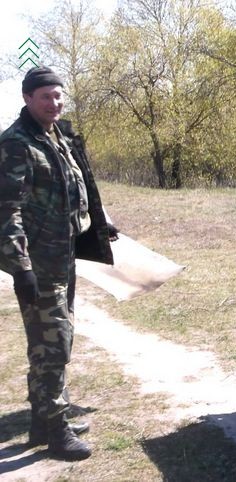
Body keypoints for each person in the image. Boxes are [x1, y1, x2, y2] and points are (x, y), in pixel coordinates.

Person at [0, 67, 116, 460]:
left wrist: (99, 223)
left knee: (50, 343)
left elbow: (75, 186)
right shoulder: (16, 144)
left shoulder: (57, 136)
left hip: (64, 256)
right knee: (53, 345)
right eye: (46, 96)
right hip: (40, 263)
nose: (55, 103)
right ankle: (56, 431)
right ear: (28, 99)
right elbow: (6, 210)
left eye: (59, 96)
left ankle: (41, 420)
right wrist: (21, 267)